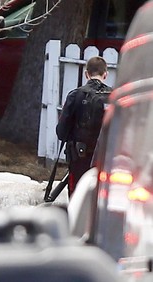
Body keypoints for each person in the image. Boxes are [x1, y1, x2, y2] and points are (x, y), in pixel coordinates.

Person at [56, 56, 112, 198]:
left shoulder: (76, 95)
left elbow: (61, 132)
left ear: (86, 74)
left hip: (79, 157)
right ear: (105, 74)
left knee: (77, 197)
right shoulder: (115, 97)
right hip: (107, 158)